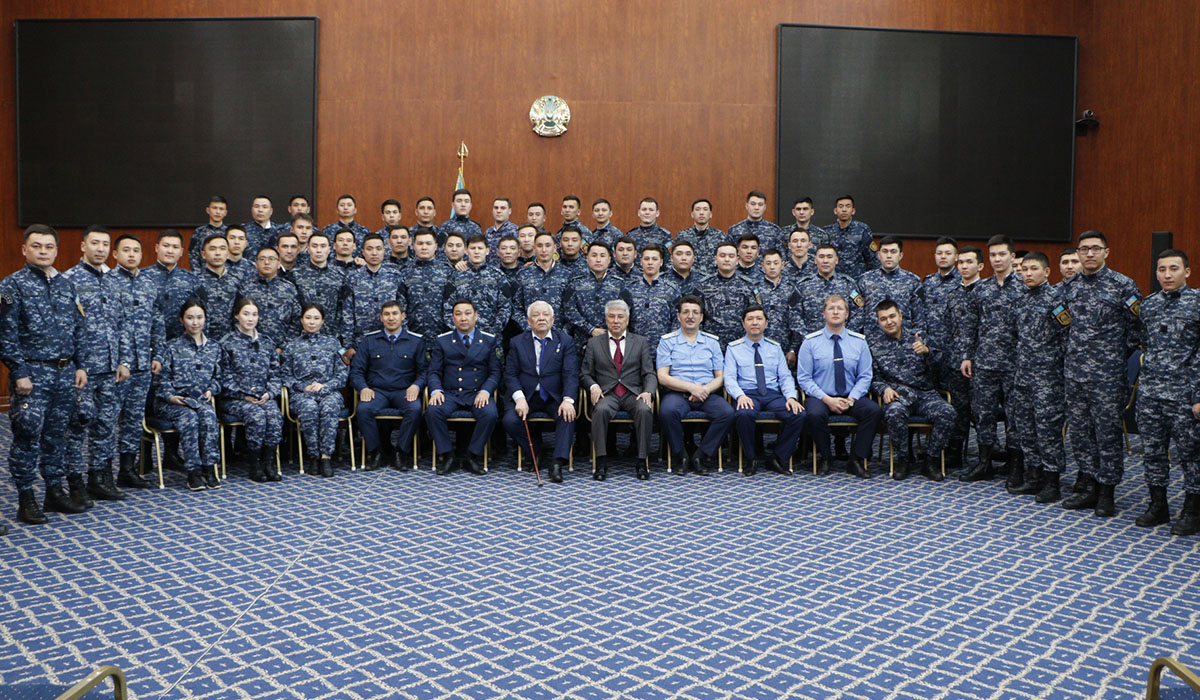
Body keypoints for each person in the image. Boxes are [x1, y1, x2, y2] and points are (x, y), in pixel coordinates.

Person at [0, 225, 90, 524]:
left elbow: (79, 328)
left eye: (49, 247)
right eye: (36, 246)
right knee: (27, 435)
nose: (43, 251)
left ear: (56, 250)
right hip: (33, 374)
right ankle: (26, 499)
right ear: (24, 249)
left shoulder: (66, 285)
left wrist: (80, 365)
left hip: (64, 373)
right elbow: (6, 335)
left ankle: (54, 491)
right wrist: (19, 372)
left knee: (57, 435)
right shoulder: (12, 286)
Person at [1061, 230, 1143, 517]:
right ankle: (1088, 486)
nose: (1089, 254)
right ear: (1078, 253)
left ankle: (1107, 491)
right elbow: (1062, 322)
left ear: (1106, 252)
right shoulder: (1069, 286)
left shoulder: (1123, 285)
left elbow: (1137, 328)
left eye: (1095, 248)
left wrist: (1112, 355)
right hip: (1075, 374)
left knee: (1107, 434)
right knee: (1080, 432)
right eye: (1084, 249)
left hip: (1107, 376)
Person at [1132, 249, 1200, 535]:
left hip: (1186, 394)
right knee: (1153, 452)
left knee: (1191, 455)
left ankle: (1193, 510)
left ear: (1187, 271)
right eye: (1162, 269)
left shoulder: (1197, 302)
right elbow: (1144, 343)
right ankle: (1158, 505)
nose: (1167, 275)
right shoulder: (1149, 305)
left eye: (1174, 268)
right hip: (1151, 393)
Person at [63, 226, 129, 505]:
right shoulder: (69, 280)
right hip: (83, 370)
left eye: (104, 244)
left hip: (111, 368)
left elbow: (123, 324)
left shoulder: (115, 281)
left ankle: (100, 477)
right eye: (94, 243)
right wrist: (75, 365)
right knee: (77, 425)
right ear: (83, 246)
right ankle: (75, 481)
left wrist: (124, 360)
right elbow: (65, 328)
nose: (100, 249)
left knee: (106, 426)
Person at [959, 235, 1024, 484]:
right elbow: (970, 325)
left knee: (1014, 416)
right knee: (983, 413)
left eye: (1002, 254)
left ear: (1012, 256)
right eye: (993, 255)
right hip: (985, 363)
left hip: (1014, 364)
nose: (997, 259)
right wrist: (967, 356)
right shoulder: (982, 289)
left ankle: (1015, 465)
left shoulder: (1023, 287)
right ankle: (984, 462)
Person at [796, 294, 882, 478]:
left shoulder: (859, 342)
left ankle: (856, 459)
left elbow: (865, 376)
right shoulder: (810, 342)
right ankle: (826, 457)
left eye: (840, 309)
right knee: (814, 414)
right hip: (821, 396)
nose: (835, 312)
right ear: (824, 314)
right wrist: (827, 400)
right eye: (831, 308)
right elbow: (804, 378)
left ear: (847, 314)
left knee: (873, 411)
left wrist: (852, 399)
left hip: (851, 396)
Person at [869, 300, 954, 481]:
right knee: (894, 412)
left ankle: (931, 460)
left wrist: (927, 352)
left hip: (925, 395)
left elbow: (942, 365)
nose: (889, 322)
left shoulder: (919, 337)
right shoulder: (874, 346)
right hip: (899, 396)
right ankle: (903, 459)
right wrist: (884, 388)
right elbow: (872, 378)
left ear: (901, 316)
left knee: (947, 412)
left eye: (892, 316)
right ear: (878, 322)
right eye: (883, 319)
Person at [1008, 252, 1069, 502]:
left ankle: (1051, 481)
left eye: (1033, 269)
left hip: (1048, 379)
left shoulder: (1056, 300)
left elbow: (1066, 338)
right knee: (1026, 427)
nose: (1028, 274)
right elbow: (1016, 336)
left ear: (1047, 272)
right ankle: (1033, 476)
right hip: (1023, 376)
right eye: (1024, 269)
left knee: (1047, 430)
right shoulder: (1020, 299)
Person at [657, 296, 734, 475]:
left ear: (701, 317)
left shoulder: (712, 342)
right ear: (678, 316)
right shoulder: (667, 341)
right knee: (667, 412)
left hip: (707, 393)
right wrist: (691, 388)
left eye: (695, 312)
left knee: (727, 413)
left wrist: (704, 390)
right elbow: (662, 377)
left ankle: (701, 455)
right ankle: (681, 456)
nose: (690, 316)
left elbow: (720, 377)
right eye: (686, 312)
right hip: (678, 394)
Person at [502, 301, 578, 482]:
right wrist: (519, 398)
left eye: (545, 314)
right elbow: (510, 374)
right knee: (510, 420)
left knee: (567, 416)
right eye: (536, 315)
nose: (541, 318)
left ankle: (557, 462)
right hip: (527, 395)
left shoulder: (565, 341)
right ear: (529, 321)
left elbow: (571, 374)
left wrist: (568, 399)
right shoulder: (517, 342)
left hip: (554, 396)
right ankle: (535, 451)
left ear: (552, 319)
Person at [724, 305, 805, 475]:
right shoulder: (733, 348)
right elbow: (729, 378)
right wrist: (740, 396)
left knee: (798, 414)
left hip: (772, 395)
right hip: (748, 394)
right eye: (750, 319)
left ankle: (777, 458)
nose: (755, 322)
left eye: (759, 319)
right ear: (743, 323)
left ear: (766, 323)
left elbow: (785, 377)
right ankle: (751, 458)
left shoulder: (775, 348)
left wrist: (791, 397)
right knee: (744, 414)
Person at [580, 300, 656, 480]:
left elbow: (649, 373)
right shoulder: (594, 343)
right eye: (611, 317)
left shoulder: (640, 342)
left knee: (644, 410)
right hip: (607, 393)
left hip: (633, 393)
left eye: (620, 317)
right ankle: (601, 461)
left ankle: (642, 461)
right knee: (600, 410)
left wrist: (648, 391)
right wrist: (593, 386)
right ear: (606, 320)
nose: (616, 321)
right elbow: (585, 374)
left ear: (627, 320)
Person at [151, 298, 222, 491]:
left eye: (199, 317)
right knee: (189, 418)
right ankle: (193, 472)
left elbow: (219, 378)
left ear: (205, 319)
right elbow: (160, 380)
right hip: (172, 403)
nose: (195, 322)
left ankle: (209, 468)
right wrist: (170, 397)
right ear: (182, 320)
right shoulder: (171, 347)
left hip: (200, 401)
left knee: (208, 416)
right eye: (190, 318)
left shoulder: (214, 347)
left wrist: (211, 389)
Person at [107, 234, 159, 489]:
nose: (131, 255)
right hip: (116, 366)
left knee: (134, 418)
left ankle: (127, 470)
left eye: (136, 250)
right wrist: (118, 360)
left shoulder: (149, 283)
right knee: (107, 419)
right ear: (115, 254)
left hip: (143, 364)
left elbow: (157, 322)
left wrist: (158, 355)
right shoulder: (107, 282)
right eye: (126, 250)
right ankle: (102, 473)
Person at [350, 301, 428, 470]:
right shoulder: (369, 341)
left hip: (404, 391)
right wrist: (363, 387)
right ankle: (377, 451)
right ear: (381, 318)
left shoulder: (416, 341)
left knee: (414, 409)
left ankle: (401, 452)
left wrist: (417, 386)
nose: (391, 318)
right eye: (386, 314)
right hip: (377, 391)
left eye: (395, 313)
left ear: (403, 316)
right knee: (363, 410)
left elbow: (425, 371)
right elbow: (356, 370)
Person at [427, 299, 502, 475]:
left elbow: (495, 372)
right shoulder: (442, 340)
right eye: (458, 314)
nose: (463, 318)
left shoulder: (488, 340)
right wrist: (436, 390)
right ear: (453, 318)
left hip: (477, 393)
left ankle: (472, 456)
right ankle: (448, 455)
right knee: (432, 411)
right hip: (450, 393)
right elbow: (434, 371)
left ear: (476, 316)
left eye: (468, 313)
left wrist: (486, 391)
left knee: (490, 414)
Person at [219, 297, 284, 483]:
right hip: (235, 399)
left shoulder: (267, 342)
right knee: (256, 416)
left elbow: (276, 374)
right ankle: (255, 465)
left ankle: (268, 463)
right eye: (246, 314)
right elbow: (223, 377)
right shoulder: (227, 343)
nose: (250, 318)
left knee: (274, 415)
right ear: (236, 316)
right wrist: (243, 395)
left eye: (254, 314)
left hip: (263, 396)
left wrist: (269, 393)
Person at [281, 303, 349, 477]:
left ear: (323, 321)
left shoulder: (334, 343)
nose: (312, 322)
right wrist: (301, 387)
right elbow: (284, 375)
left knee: (329, 407)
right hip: (302, 393)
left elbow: (343, 373)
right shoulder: (291, 346)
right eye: (308, 318)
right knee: (309, 408)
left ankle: (326, 457)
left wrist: (326, 386)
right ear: (301, 320)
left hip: (329, 391)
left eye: (316, 318)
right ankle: (313, 456)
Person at [944, 246, 984, 472]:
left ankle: (986, 457)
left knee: (981, 410)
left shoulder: (987, 292)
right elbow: (948, 328)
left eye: (969, 262)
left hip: (982, 362)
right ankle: (955, 453)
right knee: (958, 409)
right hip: (955, 361)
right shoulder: (952, 294)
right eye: (961, 262)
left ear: (980, 266)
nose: (964, 266)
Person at [340, 234, 406, 353]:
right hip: (361, 341)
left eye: (378, 249)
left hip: (390, 340)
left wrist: (403, 338)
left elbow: (403, 308)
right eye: (369, 249)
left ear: (384, 251)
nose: (374, 253)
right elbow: (347, 312)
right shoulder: (353, 277)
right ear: (363, 252)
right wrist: (348, 344)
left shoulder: (395, 276)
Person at [857, 235, 924, 342]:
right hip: (872, 343)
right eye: (885, 251)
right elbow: (858, 315)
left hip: (903, 344)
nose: (889, 256)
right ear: (879, 255)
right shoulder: (864, 280)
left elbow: (920, 319)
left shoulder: (912, 281)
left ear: (900, 255)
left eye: (893, 252)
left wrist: (917, 341)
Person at [620, 243, 681, 361]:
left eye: (654, 259)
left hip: (664, 352)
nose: (650, 262)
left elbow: (677, 320)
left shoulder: (671, 289)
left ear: (661, 262)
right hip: (635, 352)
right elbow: (622, 319)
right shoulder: (629, 289)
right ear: (641, 262)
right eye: (646, 259)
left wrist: (670, 346)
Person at [564, 241, 625, 354]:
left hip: (611, 340)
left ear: (609, 259)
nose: (598, 260)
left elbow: (626, 310)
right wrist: (590, 329)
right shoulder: (575, 282)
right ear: (587, 258)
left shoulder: (619, 283)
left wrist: (611, 329)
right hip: (582, 342)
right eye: (594, 255)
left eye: (602, 256)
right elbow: (569, 310)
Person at [237, 246, 302, 349]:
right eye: (262, 259)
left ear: (279, 263)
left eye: (271, 259)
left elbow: (296, 319)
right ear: (256, 263)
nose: (267, 262)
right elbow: (237, 318)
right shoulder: (246, 287)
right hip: (251, 348)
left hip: (282, 348)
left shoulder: (289, 288)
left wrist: (284, 346)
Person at [794, 244, 864, 339]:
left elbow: (858, 313)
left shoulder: (848, 284)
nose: (825, 261)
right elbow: (795, 314)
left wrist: (844, 336)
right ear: (815, 260)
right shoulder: (802, 285)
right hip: (812, 342)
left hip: (843, 341)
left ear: (836, 260)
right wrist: (809, 338)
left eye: (829, 257)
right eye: (821, 257)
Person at [142, 229, 202, 341]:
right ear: (157, 248)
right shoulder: (142, 277)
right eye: (166, 246)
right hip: (148, 341)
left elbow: (202, 314)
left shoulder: (192, 279)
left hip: (182, 344)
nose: (170, 251)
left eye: (175, 247)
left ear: (181, 251)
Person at [696, 243, 758, 349]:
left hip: (741, 344)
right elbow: (697, 315)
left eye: (731, 256)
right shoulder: (703, 285)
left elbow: (754, 315)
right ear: (716, 259)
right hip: (710, 344)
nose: (727, 259)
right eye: (722, 256)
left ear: (737, 260)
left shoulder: (748, 285)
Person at [290, 232, 347, 339]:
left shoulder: (340, 275)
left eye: (323, 246)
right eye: (315, 246)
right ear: (308, 249)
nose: (319, 250)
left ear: (329, 249)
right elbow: (293, 308)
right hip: (302, 336)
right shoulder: (296, 274)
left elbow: (343, 307)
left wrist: (339, 334)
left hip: (331, 335)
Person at [402, 229, 454, 345]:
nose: (424, 247)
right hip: (413, 338)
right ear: (413, 246)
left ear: (436, 246)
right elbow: (401, 306)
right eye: (420, 243)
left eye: (428, 243)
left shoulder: (447, 271)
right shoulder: (405, 272)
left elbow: (453, 305)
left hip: (443, 338)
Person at [516, 232, 573, 332]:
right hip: (531, 333)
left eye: (547, 245)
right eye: (539, 246)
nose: (543, 250)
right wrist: (529, 329)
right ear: (534, 249)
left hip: (560, 334)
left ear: (554, 248)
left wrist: (563, 333)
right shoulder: (523, 274)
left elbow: (572, 308)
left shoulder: (567, 274)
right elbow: (516, 307)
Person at [756, 250, 802, 359]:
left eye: (776, 263)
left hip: (785, 347)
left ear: (782, 265)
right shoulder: (754, 289)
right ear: (762, 266)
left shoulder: (791, 289)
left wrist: (793, 349)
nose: (772, 267)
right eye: (768, 263)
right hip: (760, 345)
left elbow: (796, 320)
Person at [196, 234, 241, 339]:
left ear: (228, 253)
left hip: (230, 340)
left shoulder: (236, 281)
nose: (217, 253)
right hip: (202, 340)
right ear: (203, 254)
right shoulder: (194, 280)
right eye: (212, 249)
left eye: (222, 249)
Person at [822, 195, 878, 279]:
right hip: (834, 280)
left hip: (857, 280)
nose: (844, 209)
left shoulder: (862, 230)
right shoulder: (828, 231)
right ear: (835, 211)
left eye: (848, 206)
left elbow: (873, 259)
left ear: (853, 211)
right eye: (841, 206)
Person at [674, 198, 728, 273]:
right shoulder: (682, 236)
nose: (701, 213)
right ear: (692, 214)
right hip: (689, 278)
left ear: (710, 214)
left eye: (705, 209)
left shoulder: (721, 236)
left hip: (713, 278)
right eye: (698, 209)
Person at [188, 195, 228, 271]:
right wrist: (198, 273)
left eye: (221, 209)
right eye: (214, 208)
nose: (218, 212)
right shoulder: (199, 232)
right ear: (208, 210)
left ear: (225, 212)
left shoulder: (229, 233)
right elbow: (193, 255)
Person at [484, 197, 519, 263]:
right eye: (496, 208)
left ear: (509, 211)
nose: (498, 211)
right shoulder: (488, 232)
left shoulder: (516, 231)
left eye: (503, 208)